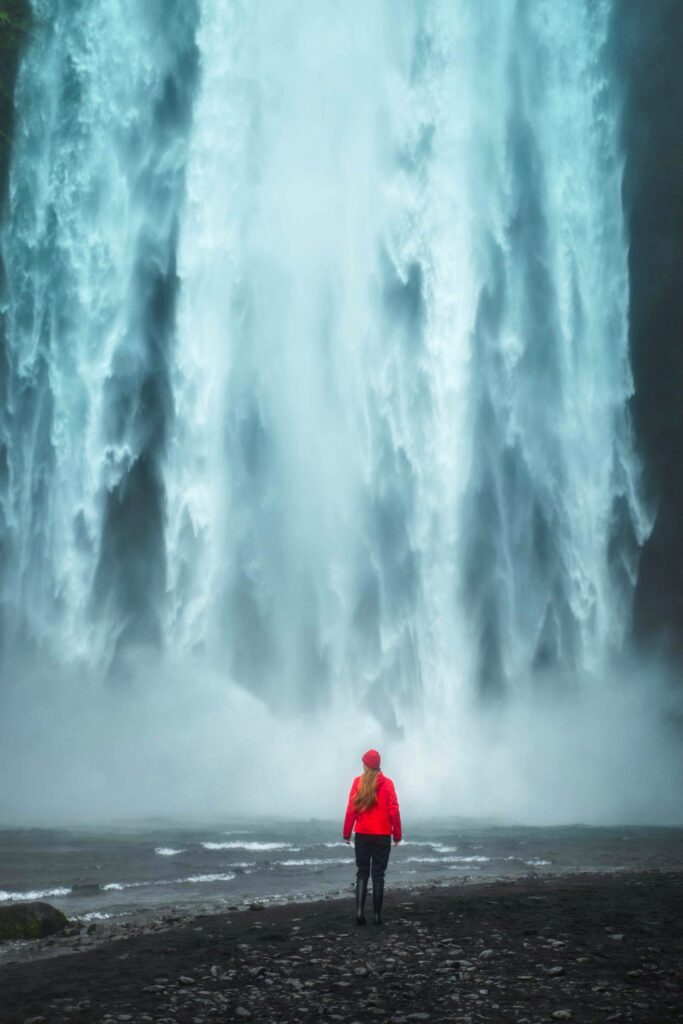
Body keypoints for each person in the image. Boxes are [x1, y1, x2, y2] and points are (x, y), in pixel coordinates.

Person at [343, 749, 402, 926]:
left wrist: (347, 833)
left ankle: (360, 913)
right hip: (382, 836)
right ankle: (377, 916)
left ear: (366, 765)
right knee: (378, 875)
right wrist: (397, 835)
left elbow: (351, 808)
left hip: (362, 834)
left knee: (362, 872)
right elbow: (394, 809)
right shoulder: (388, 784)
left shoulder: (357, 782)